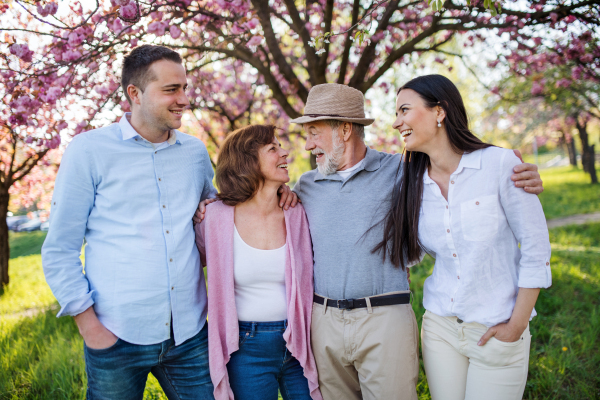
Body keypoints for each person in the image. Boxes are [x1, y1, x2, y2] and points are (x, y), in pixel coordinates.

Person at [41, 45, 299, 399]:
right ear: (135, 93)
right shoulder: (89, 152)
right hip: (116, 336)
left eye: (185, 88)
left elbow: (223, 211)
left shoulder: (193, 153)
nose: (184, 100)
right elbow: (59, 249)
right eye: (171, 90)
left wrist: (279, 195)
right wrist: (91, 329)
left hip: (189, 336)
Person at [286, 83, 545, 400]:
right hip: (324, 320)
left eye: (314, 132)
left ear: (343, 130)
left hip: (384, 317)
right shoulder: (305, 186)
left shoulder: (403, 171)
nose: (308, 145)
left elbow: (459, 162)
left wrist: (524, 172)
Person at [377, 74, 551, 400]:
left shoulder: (500, 165)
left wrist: (516, 325)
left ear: (439, 111)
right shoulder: (409, 183)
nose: (395, 122)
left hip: (497, 326)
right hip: (440, 327)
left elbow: (536, 247)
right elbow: (410, 254)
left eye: (404, 110)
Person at [195, 125, 322, 400]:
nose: (285, 152)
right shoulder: (215, 218)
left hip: (298, 341)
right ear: (248, 161)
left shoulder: (296, 211)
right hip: (245, 347)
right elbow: (191, 263)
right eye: (273, 149)